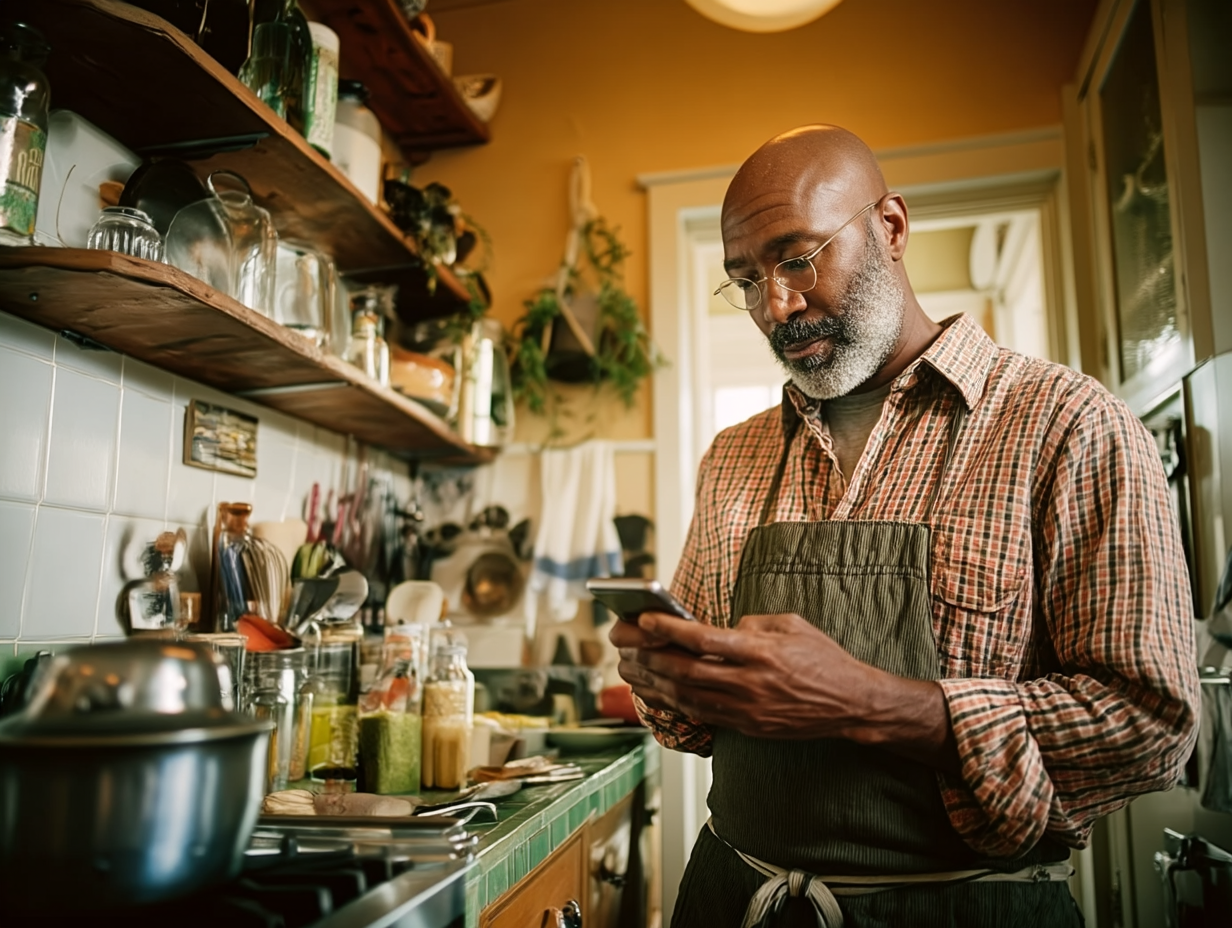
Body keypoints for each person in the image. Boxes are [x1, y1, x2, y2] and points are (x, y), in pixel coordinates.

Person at [611, 125, 1199, 928]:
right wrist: (666, 681)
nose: (774, 306)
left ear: (889, 228)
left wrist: (879, 705)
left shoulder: (1069, 425)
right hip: (732, 900)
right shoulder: (733, 456)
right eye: (745, 280)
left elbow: (1150, 725)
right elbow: (694, 727)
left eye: (795, 258)